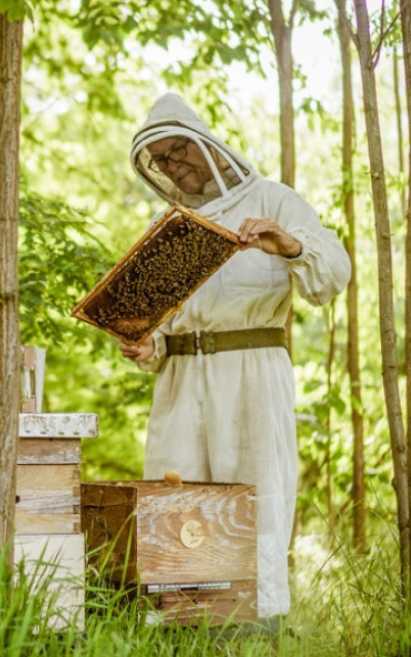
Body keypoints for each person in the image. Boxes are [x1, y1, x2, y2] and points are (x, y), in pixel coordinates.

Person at [118, 92, 351, 627]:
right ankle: (180, 628)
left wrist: (288, 244)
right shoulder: (167, 225)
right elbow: (160, 327)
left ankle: (258, 627)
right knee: (177, 497)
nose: (174, 166)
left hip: (253, 377)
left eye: (178, 151)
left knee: (257, 492)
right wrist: (148, 345)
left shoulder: (274, 199)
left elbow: (332, 275)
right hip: (180, 383)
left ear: (205, 143)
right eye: (162, 162)